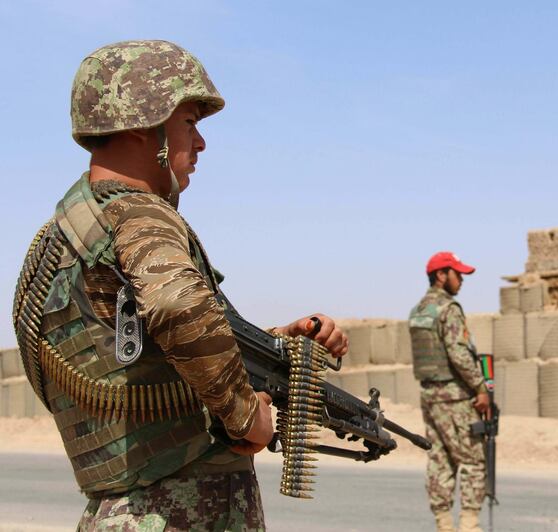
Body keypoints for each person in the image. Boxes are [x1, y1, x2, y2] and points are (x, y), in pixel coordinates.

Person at [11, 40, 348, 530]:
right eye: (189, 123)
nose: (201, 142)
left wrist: (276, 342)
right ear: (145, 125)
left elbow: (130, 355)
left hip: (122, 509)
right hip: (183, 509)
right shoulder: (141, 213)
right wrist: (243, 414)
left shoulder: (65, 234)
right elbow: (175, 305)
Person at [408, 252, 489, 532]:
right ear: (441, 275)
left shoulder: (418, 311)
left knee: (440, 460)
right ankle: (469, 526)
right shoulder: (448, 309)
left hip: (430, 396)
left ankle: (444, 525)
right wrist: (480, 386)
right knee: (472, 460)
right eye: (458, 274)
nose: (462, 280)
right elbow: (458, 353)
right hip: (455, 396)